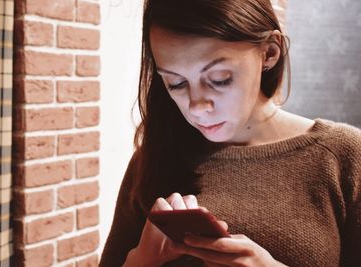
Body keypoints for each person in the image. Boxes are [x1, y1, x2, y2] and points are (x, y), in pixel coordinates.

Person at [99, 0, 361, 266]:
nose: (197, 106)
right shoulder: (154, 158)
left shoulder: (343, 156)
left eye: (220, 79)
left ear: (270, 52)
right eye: (176, 83)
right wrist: (140, 262)